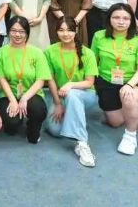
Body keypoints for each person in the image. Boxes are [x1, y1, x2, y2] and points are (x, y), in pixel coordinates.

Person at [91, 3, 138, 155]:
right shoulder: (99, 36)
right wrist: (92, 84)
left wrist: (129, 85)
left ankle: (130, 137)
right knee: (115, 122)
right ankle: (132, 107)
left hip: (131, 81)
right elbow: (92, 62)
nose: (121, 21)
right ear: (109, 19)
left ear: (131, 21)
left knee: (128, 97)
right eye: (116, 17)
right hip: (106, 81)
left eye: (126, 18)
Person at [44, 17, 99, 167]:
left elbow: (89, 82)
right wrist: (57, 104)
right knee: (56, 131)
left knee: (73, 94)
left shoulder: (87, 53)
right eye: (61, 30)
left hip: (86, 95)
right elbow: (50, 81)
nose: (65, 34)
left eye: (69, 30)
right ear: (56, 32)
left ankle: (82, 143)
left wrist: (71, 85)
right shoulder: (50, 51)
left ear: (76, 31)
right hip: (61, 96)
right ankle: (75, 114)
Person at [0, 16, 50, 143]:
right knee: (11, 124)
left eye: (21, 31)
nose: (17, 35)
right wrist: (13, 100)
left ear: (27, 33)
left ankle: (32, 126)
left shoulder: (37, 52)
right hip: (9, 94)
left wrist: (24, 98)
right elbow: (2, 79)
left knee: (37, 111)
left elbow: (41, 80)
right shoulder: (1, 52)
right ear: (8, 31)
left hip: (31, 93)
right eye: (13, 31)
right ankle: (16, 121)